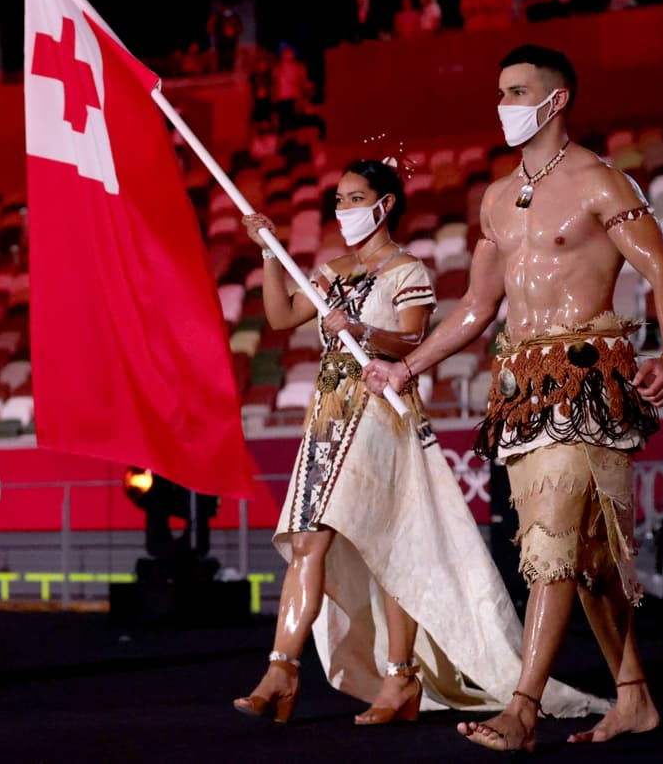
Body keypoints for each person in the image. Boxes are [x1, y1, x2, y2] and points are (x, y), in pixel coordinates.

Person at [363, 44, 663, 751]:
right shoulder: (495, 200)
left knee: (552, 544)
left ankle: (522, 708)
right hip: (520, 389)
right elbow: (477, 308)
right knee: (591, 558)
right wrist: (408, 366)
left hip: (588, 377)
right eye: (500, 91)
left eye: (516, 90)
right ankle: (633, 696)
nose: (504, 104)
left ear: (557, 97)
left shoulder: (603, 183)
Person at [233, 154, 608, 728]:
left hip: (381, 416)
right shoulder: (333, 271)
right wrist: (267, 251)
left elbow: (410, 341)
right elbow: (283, 317)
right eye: (338, 200)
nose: (342, 209)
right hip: (328, 421)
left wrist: (360, 330)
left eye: (354, 199)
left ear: (385, 206)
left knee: (387, 547)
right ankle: (282, 670)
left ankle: (399, 676)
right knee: (307, 539)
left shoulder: (410, 273)